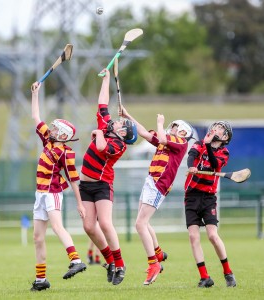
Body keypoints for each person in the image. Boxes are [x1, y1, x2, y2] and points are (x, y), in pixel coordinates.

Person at [121, 107, 193, 285]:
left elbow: (161, 137)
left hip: (158, 185)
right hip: (151, 181)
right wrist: (128, 115)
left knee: (140, 224)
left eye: (175, 126)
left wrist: (160, 123)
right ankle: (158, 253)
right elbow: (145, 133)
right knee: (143, 222)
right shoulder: (166, 141)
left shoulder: (180, 142)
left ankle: (154, 264)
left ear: (183, 132)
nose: (171, 127)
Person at [79, 69, 137, 286]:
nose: (117, 123)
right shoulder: (106, 126)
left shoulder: (119, 145)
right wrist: (105, 79)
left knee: (104, 222)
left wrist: (99, 132)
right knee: (88, 227)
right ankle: (110, 261)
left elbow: (102, 146)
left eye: (122, 126)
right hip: (85, 185)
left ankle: (120, 264)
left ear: (123, 135)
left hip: (103, 185)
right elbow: (102, 104)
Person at [30, 81, 87, 292]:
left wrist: (80, 204)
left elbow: (73, 178)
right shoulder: (48, 141)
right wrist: (36, 94)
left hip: (53, 193)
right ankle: (40, 280)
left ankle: (75, 260)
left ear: (63, 135)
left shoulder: (66, 152)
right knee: (37, 237)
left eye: (55, 129)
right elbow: (36, 118)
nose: (51, 129)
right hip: (40, 194)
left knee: (57, 227)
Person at [184, 121, 236, 288]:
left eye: (221, 128)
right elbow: (191, 156)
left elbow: (214, 164)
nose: (216, 129)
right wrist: (192, 166)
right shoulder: (199, 143)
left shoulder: (224, 152)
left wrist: (207, 146)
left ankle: (228, 272)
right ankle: (205, 277)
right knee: (193, 237)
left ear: (225, 137)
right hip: (191, 196)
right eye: (216, 126)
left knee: (212, 236)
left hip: (208, 198)